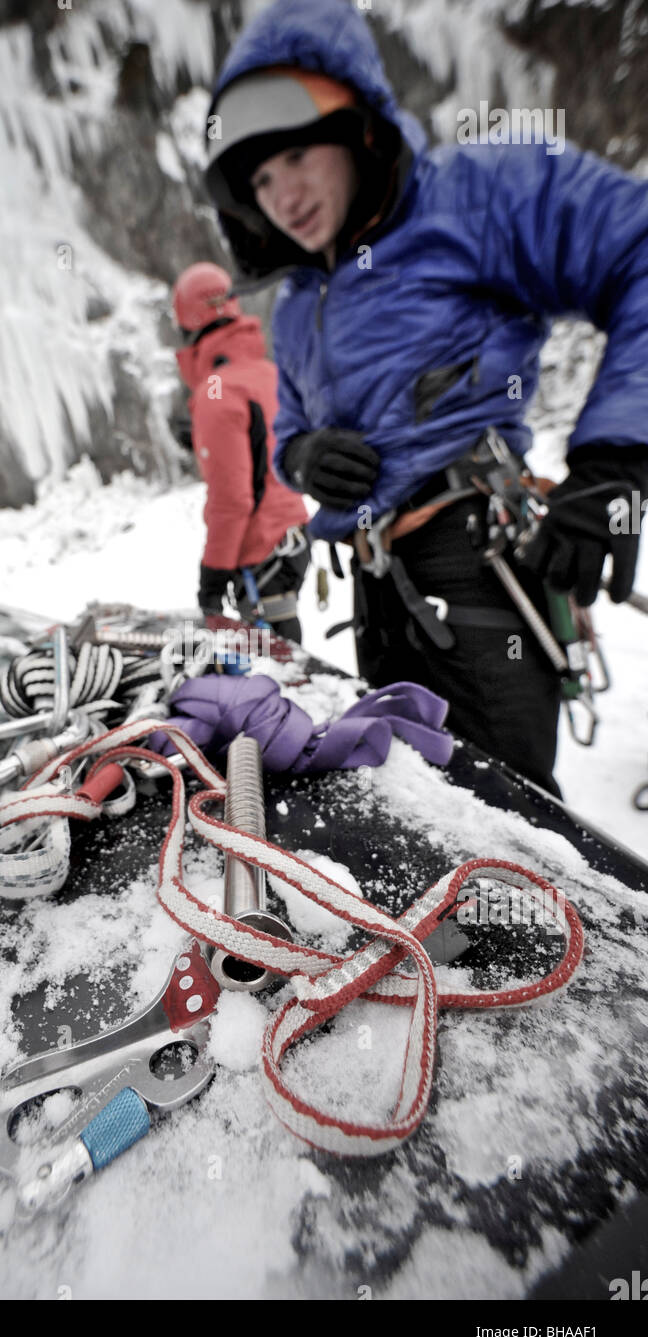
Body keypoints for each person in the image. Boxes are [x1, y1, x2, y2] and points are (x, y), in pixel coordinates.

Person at [201, 0, 648, 794]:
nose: (282, 195)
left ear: (359, 128)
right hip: (377, 593)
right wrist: (302, 455)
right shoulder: (300, 304)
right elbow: (291, 424)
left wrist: (616, 455)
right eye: (260, 179)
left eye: (298, 156)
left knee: (504, 831)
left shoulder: (473, 197)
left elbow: (637, 250)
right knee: (416, 817)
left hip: (476, 564)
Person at [172, 261, 310, 642]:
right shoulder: (268, 372)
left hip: (259, 554)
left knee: (272, 669)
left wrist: (212, 576)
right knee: (286, 661)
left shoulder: (216, 390)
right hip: (289, 541)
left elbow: (233, 499)